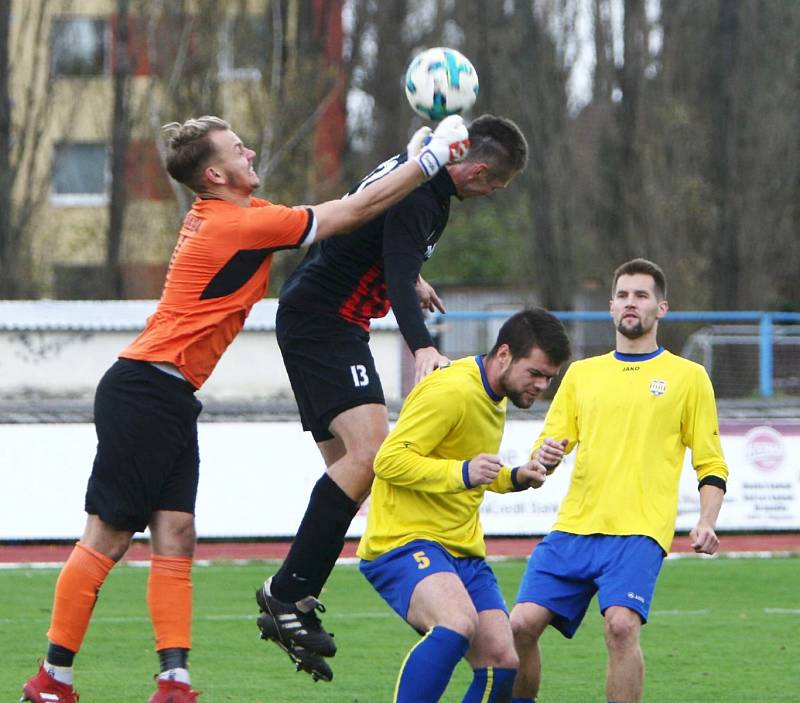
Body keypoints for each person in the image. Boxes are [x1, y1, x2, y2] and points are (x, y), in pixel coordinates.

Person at [20, 113, 470, 703]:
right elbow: (347, 212)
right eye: (239, 149)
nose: (251, 151)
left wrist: (404, 258)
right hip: (143, 390)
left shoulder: (244, 216)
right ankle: (53, 679)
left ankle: (174, 684)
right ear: (215, 172)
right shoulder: (233, 224)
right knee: (107, 536)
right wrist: (428, 161)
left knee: (177, 535)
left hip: (170, 395)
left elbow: (347, 218)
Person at [255, 115, 530, 677]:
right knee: (374, 454)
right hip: (326, 320)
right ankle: (285, 594)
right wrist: (421, 347)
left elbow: (380, 237)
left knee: (358, 477)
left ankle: (295, 599)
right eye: (493, 185)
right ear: (476, 169)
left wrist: (407, 276)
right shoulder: (424, 197)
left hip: (321, 316)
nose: (489, 195)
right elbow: (401, 270)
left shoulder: (418, 175)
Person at [509, 258, 729, 703]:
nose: (632, 303)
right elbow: (544, 453)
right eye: (624, 295)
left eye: (642, 295)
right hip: (574, 527)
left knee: (621, 626)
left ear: (660, 308)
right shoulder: (582, 374)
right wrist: (543, 459)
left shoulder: (688, 378)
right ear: (611, 307)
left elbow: (711, 464)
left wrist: (707, 520)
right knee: (518, 626)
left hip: (638, 531)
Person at [357, 309, 571, 703]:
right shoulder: (451, 390)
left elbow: (474, 469)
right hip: (405, 541)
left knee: (503, 662)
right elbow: (388, 461)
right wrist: (463, 472)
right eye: (536, 374)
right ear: (504, 354)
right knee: (456, 624)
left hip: (462, 551)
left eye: (548, 378)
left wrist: (515, 477)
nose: (541, 386)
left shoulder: (497, 395)